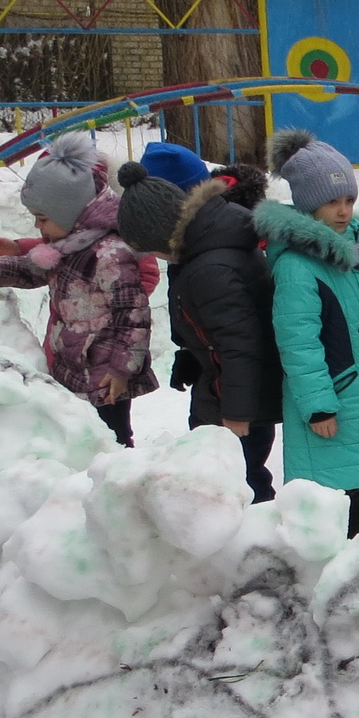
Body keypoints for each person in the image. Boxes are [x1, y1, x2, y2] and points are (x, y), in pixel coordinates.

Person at [259, 130, 359, 535]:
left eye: (348, 201)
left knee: (354, 478)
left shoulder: (353, 248)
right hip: (333, 394)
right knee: (332, 487)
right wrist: (318, 405)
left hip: (358, 388)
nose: (343, 211)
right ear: (309, 204)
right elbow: (298, 342)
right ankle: (338, 555)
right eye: (331, 202)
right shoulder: (297, 266)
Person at [115, 160, 283, 499]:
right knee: (232, 478)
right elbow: (217, 325)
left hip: (239, 400)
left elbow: (239, 342)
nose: (157, 257)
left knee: (236, 482)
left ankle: (258, 528)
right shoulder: (210, 245)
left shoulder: (210, 268)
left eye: (153, 249)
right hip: (229, 386)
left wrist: (236, 413)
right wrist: (192, 356)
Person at [0, 132, 156, 445]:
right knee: (77, 438)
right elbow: (33, 269)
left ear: (70, 213)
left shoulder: (110, 254)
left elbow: (133, 317)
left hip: (106, 374)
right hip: (73, 363)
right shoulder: (69, 246)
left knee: (111, 440)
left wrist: (121, 370)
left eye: (42, 219)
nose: (38, 227)